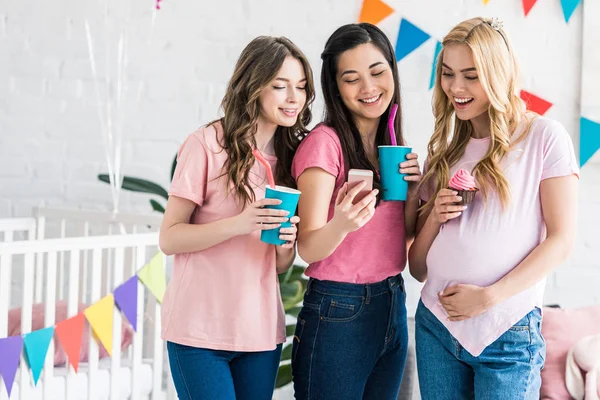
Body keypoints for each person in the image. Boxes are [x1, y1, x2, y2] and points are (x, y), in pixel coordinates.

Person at [409, 17, 579, 399]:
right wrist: (434, 215)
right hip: (436, 327)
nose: (456, 87)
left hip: (508, 330)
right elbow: (417, 269)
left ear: (498, 75)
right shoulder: (445, 153)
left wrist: (489, 296)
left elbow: (563, 241)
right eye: (448, 74)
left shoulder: (543, 138)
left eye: (471, 75)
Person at [158, 36, 315, 400]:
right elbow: (169, 237)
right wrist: (240, 223)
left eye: (302, 87)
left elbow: (279, 264)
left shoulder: (293, 158)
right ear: (253, 85)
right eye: (280, 86)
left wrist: (285, 243)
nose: (294, 97)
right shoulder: (206, 144)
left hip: (259, 332)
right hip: (197, 331)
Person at [290, 23, 422, 399]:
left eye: (378, 72)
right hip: (338, 309)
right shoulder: (324, 145)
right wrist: (343, 224)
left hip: (393, 301)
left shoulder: (392, 145)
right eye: (352, 79)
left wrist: (413, 193)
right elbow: (309, 247)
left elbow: (401, 237)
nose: (369, 88)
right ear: (336, 87)